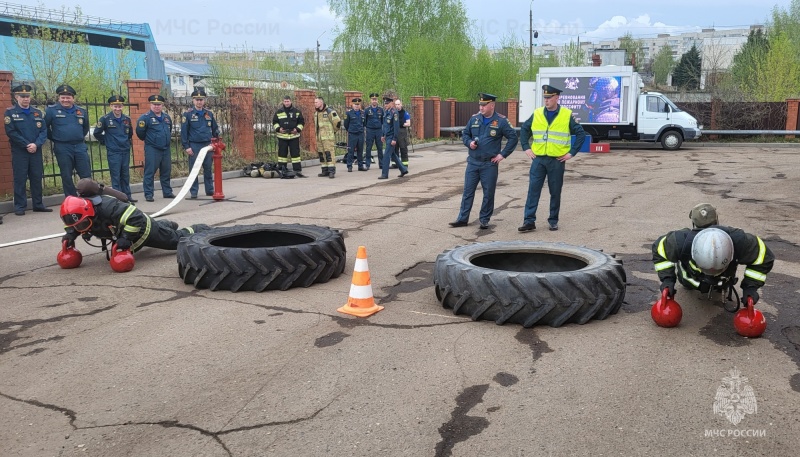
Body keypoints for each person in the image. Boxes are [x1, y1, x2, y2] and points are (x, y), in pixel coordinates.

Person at [652, 204, 774, 309]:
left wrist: (751, 286)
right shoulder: (679, 242)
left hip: (725, 279)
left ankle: (720, 282)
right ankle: (692, 280)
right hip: (690, 278)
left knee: (721, 284)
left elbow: (763, 258)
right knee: (687, 282)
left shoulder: (740, 241)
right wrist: (667, 279)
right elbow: (659, 250)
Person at [518, 85, 586, 232]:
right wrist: (526, 147)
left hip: (557, 160)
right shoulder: (537, 113)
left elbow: (581, 134)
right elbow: (524, 129)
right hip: (538, 159)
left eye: (549, 98)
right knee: (533, 191)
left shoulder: (566, 114)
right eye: (545, 98)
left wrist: (572, 152)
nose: (546, 100)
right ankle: (529, 221)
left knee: (555, 191)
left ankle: (553, 220)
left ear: (557, 98)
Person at [449, 93, 518, 230]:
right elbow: (465, 134)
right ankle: (462, 219)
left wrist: (502, 155)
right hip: (473, 162)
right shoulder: (474, 119)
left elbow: (513, 138)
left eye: (484, 105)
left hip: (489, 164)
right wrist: (469, 143)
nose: (481, 107)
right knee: (468, 191)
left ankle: (484, 219)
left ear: (492, 105)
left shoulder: (501, 121)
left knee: (488, 192)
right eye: (480, 105)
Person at [60, 195, 211, 254]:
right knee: (163, 230)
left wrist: (126, 237)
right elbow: (73, 224)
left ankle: (199, 228)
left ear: (90, 211)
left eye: (84, 224)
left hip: (143, 230)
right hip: (124, 231)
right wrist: (71, 235)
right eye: (78, 226)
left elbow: (135, 217)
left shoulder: (110, 208)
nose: (83, 229)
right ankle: (165, 224)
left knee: (176, 242)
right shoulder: (78, 216)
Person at [4, 83, 50, 216]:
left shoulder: (37, 112)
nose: (25, 99)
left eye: (27, 96)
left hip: (35, 150)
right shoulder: (10, 113)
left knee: (36, 177)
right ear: (16, 97)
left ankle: (38, 204)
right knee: (20, 178)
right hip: (20, 152)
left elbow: (43, 131)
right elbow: (11, 132)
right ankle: (20, 206)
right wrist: (27, 145)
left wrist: (36, 144)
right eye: (22, 96)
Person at [45, 84, 91, 196]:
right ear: (59, 98)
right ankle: (71, 199)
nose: (65, 100)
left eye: (68, 97)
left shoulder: (81, 111)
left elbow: (85, 127)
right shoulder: (51, 111)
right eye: (63, 97)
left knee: (86, 174)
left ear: (73, 98)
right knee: (66, 175)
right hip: (62, 147)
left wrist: (77, 137)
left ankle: (88, 198)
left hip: (79, 146)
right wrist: (57, 138)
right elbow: (45, 128)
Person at [93, 95, 135, 202]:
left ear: (122, 106)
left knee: (125, 174)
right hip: (114, 151)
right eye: (115, 106)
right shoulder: (105, 119)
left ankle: (127, 196)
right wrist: (107, 142)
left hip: (125, 150)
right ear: (111, 106)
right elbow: (96, 133)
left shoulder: (127, 119)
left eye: (119, 106)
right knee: (116, 175)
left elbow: (130, 133)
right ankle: (118, 198)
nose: (117, 109)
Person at [181, 88, 220, 198]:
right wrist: (186, 146)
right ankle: (194, 192)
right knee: (194, 170)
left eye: (201, 100)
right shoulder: (188, 114)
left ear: (204, 101)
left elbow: (215, 129)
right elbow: (184, 132)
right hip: (194, 145)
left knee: (208, 168)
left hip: (207, 145)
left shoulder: (209, 114)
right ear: (193, 101)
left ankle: (209, 190)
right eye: (197, 100)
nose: (199, 102)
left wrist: (215, 143)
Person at [135, 95, 175, 202]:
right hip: (152, 149)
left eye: (159, 105)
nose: (157, 107)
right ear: (150, 105)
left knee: (166, 171)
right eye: (154, 104)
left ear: (162, 105)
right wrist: (151, 141)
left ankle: (167, 192)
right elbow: (140, 133)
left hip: (165, 149)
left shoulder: (166, 117)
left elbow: (169, 129)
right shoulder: (145, 118)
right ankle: (149, 194)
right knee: (150, 172)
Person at [272, 95, 306, 177]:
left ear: (291, 101)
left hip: (294, 137)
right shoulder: (278, 112)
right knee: (282, 154)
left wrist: (297, 129)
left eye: (288, 101)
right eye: (285, 101)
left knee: (295, 154)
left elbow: (301, 122)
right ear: (283, 102)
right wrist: (279, 129)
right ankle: (282, 169)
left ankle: (297, 170)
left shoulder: (297, 112)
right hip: (282, 137)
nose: (286, 103)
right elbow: (275, 122)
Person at [378, 96, 409, 180]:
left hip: (391, 137)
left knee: (386, 155)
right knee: (393, 155)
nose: (386, 105)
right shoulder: (386, 112)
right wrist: (383, 135)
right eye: (385, 104)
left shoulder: (394, 113)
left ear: (392, 103)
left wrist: (394, 139)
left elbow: (396, 127)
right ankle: (403, 169)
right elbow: (385, 125)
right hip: (387, 136)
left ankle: (384, 174)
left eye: (387, 103)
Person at [313, 96, 342, 178]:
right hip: (319, 138)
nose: (315, 104)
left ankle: (331, 171)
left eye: (316, 102)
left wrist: (333, 132)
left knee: (329, 154)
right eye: (314, 102)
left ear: (321, 102)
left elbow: (337, 123)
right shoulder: (316, 113)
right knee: (322, 154)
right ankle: (324, 170)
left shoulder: (329, 111)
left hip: (328, 137)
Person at [343, 97, 366, 171]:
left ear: (360, 105)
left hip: (360, 134)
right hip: (352, 134)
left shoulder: (363, 113)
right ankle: (349, 166)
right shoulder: (348, 113)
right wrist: (350, 130)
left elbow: (364, 123)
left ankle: (360, 166)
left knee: (360, 150)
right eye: (355, 104)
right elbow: (346, 124)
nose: (357, 106)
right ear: (352, 105)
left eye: (358, 104)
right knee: (351, 151)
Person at [364, 92, 384, 169]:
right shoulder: (367, 110)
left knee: (380, 148)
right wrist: (368, 128)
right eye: (373, 99)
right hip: (370, 130)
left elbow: (383, 121)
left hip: (379, 131)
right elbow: (364, 121)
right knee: (368, 148)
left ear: (377, 100)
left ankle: (381, 164)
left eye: (375, 99)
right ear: (371, 100)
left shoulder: (381, 110)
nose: (374, 101)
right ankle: (368, 164)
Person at [394, 98, 411, 169]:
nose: (397, 106)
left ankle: (405, 163)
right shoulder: (393, 113)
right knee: (395, 148)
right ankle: (395, 163)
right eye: (396, 104)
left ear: (401, 104)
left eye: (398, 104)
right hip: (395, 131)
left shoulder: (405, 113)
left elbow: (408, 123)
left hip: (402, 131)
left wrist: (401, 124)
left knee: (403, 148)